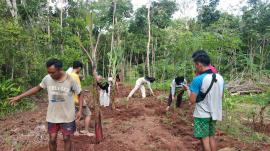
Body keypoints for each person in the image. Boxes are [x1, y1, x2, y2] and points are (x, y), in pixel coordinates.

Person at [9, 59, 82, 151]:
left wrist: (80, 110)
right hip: (52, 116)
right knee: (52, 139)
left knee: (67, 138)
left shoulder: (71, 80)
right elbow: (37, 88)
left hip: (68, 116)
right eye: (48, 72)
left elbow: (80, 93)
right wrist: (20, 97)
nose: (50, 75)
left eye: (53, 72)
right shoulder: (47, 78)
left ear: (59, 69)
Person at [184, 53, 224, 151]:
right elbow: (221, 96)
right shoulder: (220, 78)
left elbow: (192, 100)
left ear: (199, 65)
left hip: (202, 114)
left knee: (205, 140)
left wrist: (188, 90)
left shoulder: (198, 79)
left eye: (195, 65)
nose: (195, 68)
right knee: (211, 137)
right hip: (214, 113)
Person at [68, 61, 94, 136]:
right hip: (77, 99)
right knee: (88, 114)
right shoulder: (75, 76)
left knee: (73, 115)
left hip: (70, 99)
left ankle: (74, 131)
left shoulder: (68, 75)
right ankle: (86, 131)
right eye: (80, 69)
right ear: (79, 68)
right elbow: (79, 91)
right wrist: (81, 101)